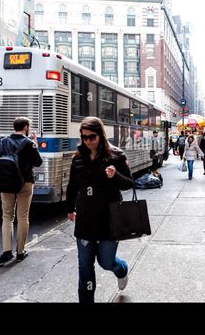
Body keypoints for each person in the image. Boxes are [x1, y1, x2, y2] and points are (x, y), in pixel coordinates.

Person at [66, 117, 134, 303]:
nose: (87, 141)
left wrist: (115, 176)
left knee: (106, 261)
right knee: (85, 265)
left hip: (110, 218)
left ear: (101, 135)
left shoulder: (116, 156)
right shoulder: (78, 158)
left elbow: (129, 183)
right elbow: (72, 186)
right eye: (84, 137)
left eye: (91, 137)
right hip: (85, 219)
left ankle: (121, 269)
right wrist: (69, 208)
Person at [0, 117, 43, 268]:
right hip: (25, 183)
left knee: (7, 216)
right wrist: (35, 144)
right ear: (26, 127)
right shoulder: (29, 144)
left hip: (6, 183)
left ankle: (6, 251)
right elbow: (38, 162)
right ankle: (20, 252)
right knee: (23, 216)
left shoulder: (2, 142)